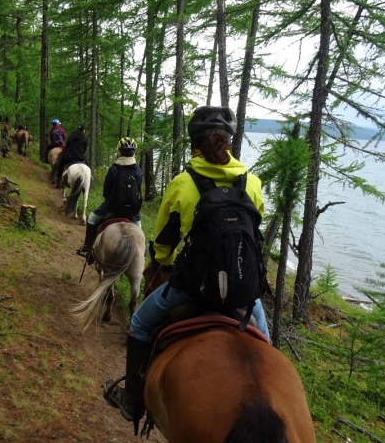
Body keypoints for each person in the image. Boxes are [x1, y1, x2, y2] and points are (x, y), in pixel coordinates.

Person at [103, 105, 270, 426]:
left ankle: (133, 400)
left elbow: (164, 246)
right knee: (267, 350)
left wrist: (164, 264)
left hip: (193, 288)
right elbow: (255, 235)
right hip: (243, 295)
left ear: (194, 143)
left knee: (138, 325)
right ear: (229, 142)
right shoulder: (253, 183)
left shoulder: (183, 182)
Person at [76, 137, 143, 258]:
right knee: (139, 232)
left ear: (119, 151)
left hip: (113, 206)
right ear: (134, 152)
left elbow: (106, 190)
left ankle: (87, 246)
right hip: (133, 210)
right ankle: (143, 252)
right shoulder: (138, 170)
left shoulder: (114, 169)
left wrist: (108, 198)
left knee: (91, 218)